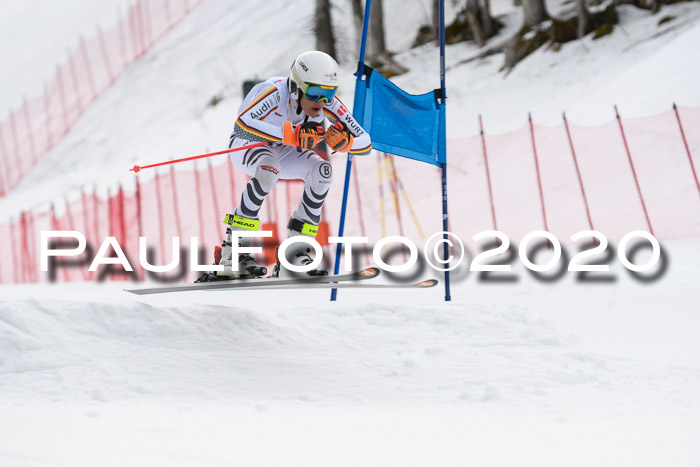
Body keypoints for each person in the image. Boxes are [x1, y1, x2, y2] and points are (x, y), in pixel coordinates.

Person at [212, 50, 372, 280]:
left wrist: (346, 142)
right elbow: (242, 124)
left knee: (322, 171)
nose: (322, 100)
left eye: (329, 92)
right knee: (268, 169)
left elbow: (365, 142)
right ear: (297, 87)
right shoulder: (275, 92)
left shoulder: (327, 103)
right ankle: (233, 252)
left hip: (282, 149)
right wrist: (290, 134)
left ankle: (295, 253)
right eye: (315, 92)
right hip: (247, 143)